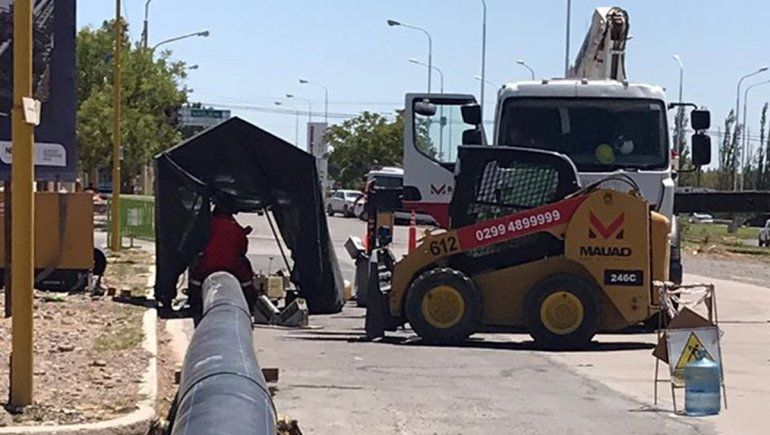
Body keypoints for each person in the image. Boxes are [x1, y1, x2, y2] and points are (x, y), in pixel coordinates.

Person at [189, 201, 258, 318]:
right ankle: (250, 304)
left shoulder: (206, 226)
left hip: (208, 264)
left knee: (195, 279)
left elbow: (196, 244)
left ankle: (193, 303)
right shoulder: (235, 228)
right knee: (246, 279)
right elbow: (242, 248)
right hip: (232, 265)